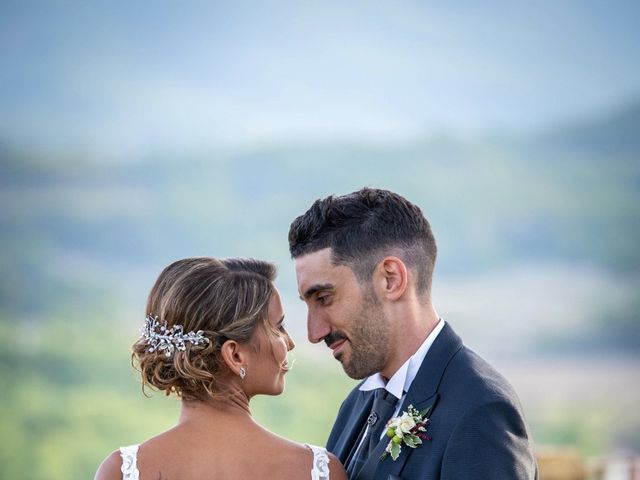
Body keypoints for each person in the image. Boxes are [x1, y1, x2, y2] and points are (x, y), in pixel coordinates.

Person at [289, 188, 538, 480]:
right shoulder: (355, 404)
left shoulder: (480, 411)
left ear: (391, 279)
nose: (314, 333)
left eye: (324, 298)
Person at [95, 257, 347, 480]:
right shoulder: (317, 471)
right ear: (235, 355)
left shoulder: (123, 472)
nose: (290, 343)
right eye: (278, 327)